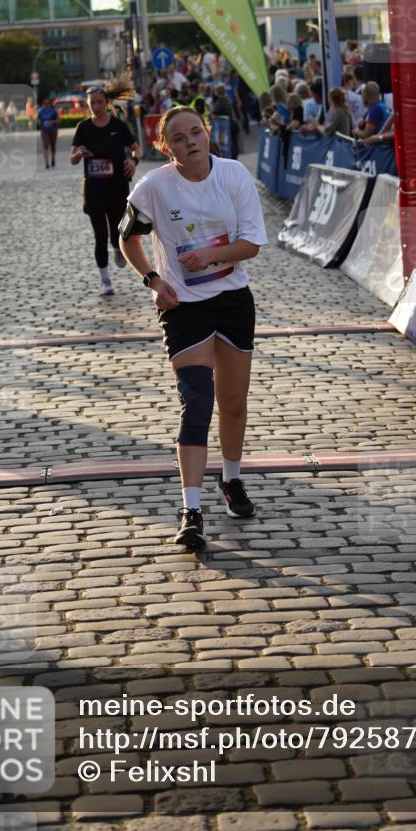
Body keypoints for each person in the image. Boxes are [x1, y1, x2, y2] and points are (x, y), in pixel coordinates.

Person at [118, 105, 267, 549]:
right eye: (178, 138)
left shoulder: (235, 176)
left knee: (233, 402)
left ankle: (232, 479)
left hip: (233, 301)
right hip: (183, 306)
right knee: (197, 402)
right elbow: (128, 237)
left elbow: (252, 245)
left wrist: (211, 257)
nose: (190, 142)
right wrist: (152, 279)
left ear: (207, 134)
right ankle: (191, 509)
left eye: (195, 133)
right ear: (165, 147)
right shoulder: (155, 188)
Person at [70, 79, 141, 297]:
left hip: (118, 186)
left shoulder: (118, 126)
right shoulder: (83, 127)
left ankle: (118, 248)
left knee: (117, 233)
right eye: (93, 103)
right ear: (88, 104)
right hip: (93, 189)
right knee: (99, 235)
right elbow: (72, 159)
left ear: (107, 103)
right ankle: (105, 280)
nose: (97, 106)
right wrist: (79, 154)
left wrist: (133, 161)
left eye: (100, 102)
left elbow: (136, 149)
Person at [37, 97, 59, 169]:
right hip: (44, 130)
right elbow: (38, 119)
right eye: (44, 103)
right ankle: (46, 162)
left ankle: (53, 158)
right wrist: (40, 123)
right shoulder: (40, 111)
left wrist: (51, 122)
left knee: (53, 146)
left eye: (47, 103)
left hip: (53, 130)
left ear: (50, 103)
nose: (46, 105)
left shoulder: (54, 111)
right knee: (46, 145)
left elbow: (58, 120)